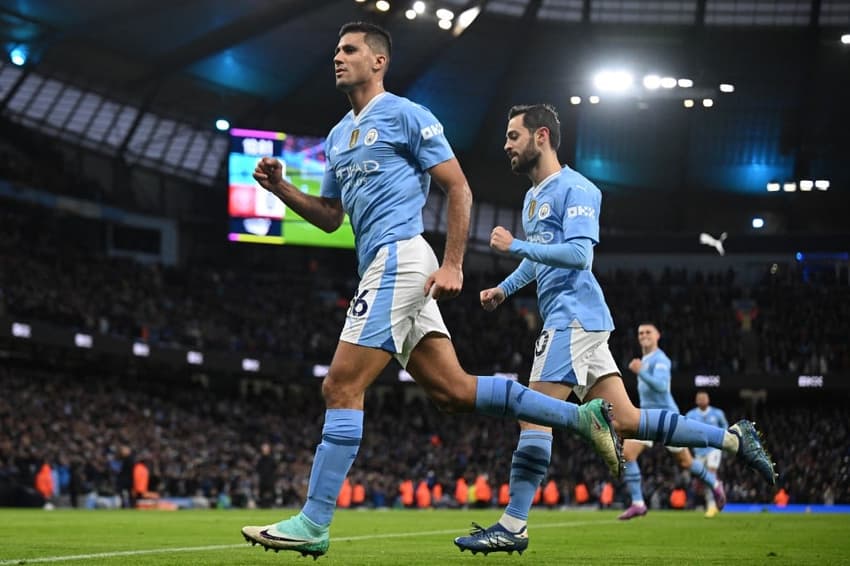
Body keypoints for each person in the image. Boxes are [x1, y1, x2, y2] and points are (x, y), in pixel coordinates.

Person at [241, 22, 623, 559]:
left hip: (401, 259)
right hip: (379, 264)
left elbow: (458, 186)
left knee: (340, 387)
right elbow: (330, 219)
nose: (337, 57)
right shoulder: (336, 137)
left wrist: (453, 264)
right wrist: (282, 188)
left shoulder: (405, 114)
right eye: (336, 49)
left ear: (378, 62)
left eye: (349, 50)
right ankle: (580, 417)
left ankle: (314, 522)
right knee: (454, 393)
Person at [454, 104, 777, 555]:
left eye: (513, 136)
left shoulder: (578, 188)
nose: (505, 145)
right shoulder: (532, 197)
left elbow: (580, 255)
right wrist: (505, 289)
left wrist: (515, 244)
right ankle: (733, 439)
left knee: (533, 414)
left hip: (574, 317)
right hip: (573, 320)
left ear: (541, 136)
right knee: (626, 422)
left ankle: (514, 525)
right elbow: (539, 259)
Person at [617, 324, 726, 521]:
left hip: (667, 418)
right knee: (627, 453)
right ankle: (638, 503)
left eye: (648, 332)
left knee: (686, 462)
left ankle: (715, 483)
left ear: (658, 336)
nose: (644, 335)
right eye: (640, 333)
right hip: (647, 417)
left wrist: (641, 371)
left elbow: (660, 386)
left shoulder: (661, 360)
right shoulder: (645, 360)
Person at [685, 390, 729, 517]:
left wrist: (722, 441)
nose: (702, 400)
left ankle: (711, 506)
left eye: (704, 398)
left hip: (713, 449)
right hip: (699, 451)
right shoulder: (691, 414)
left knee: (711, 473)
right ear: (696, 400)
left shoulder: (717, 413)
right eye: (699, 398)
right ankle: (712, 494)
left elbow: (725, 427)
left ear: (708, 400)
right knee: (702, 478)